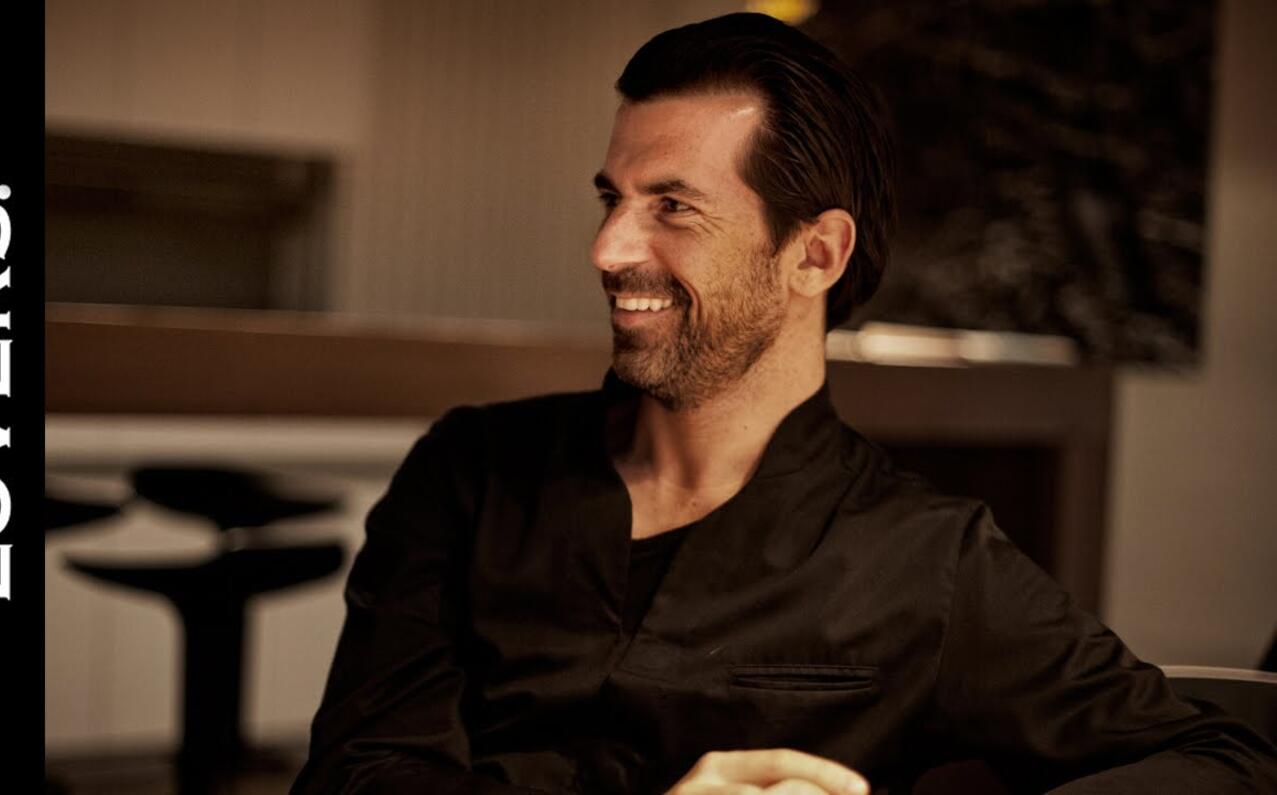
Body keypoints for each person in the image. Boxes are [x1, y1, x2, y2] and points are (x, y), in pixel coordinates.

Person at [292, 13, 1277, 794]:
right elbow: (358, 775)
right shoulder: (472, 472)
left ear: (815, 253)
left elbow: (1223, 762)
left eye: (671, 206)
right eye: (611, 198)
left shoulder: (929, 562)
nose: (609, 249)